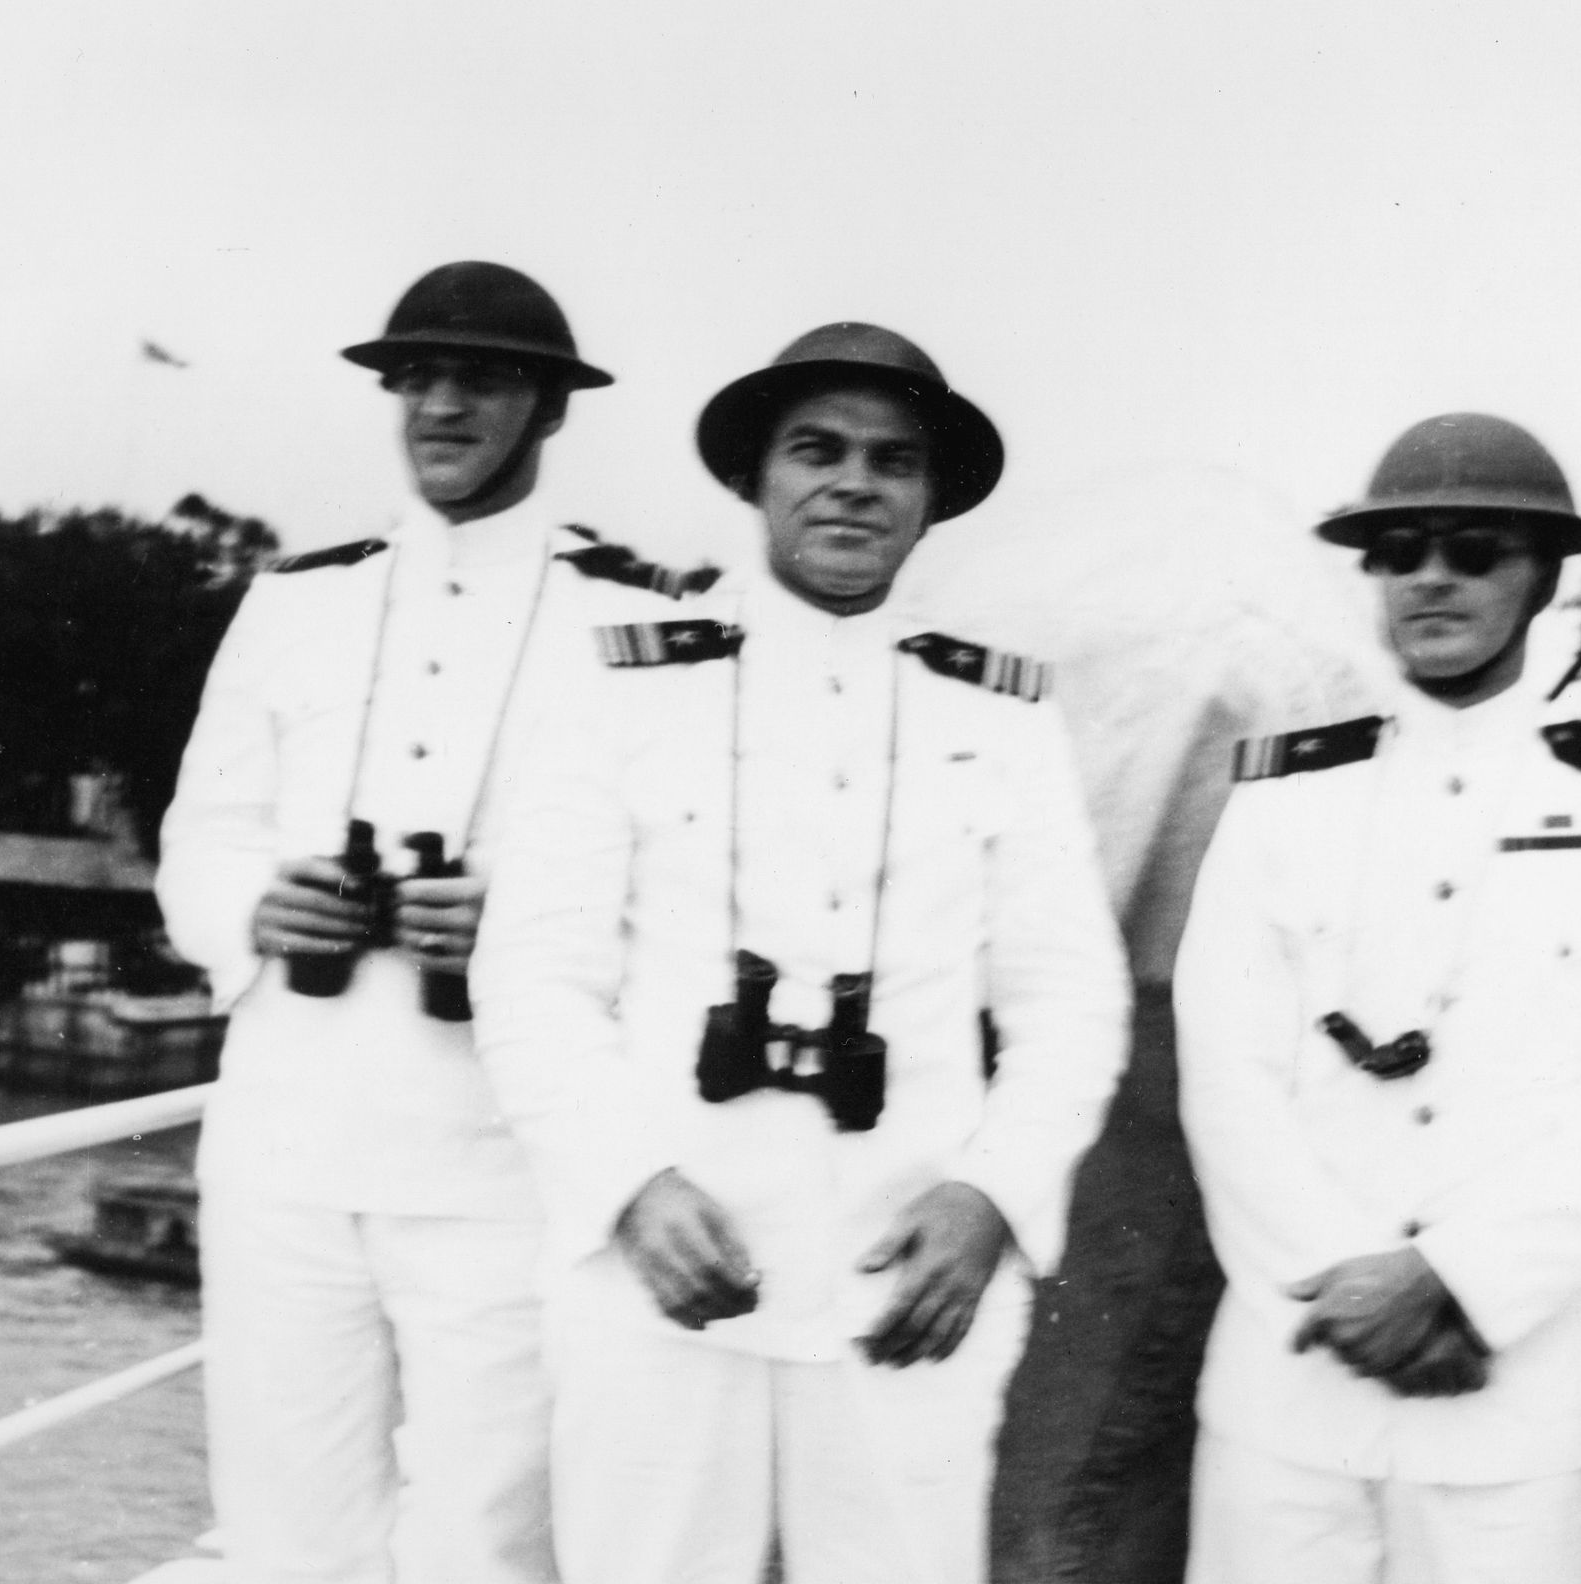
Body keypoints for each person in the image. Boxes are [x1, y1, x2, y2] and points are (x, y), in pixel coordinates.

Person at [470, 322, 1131, 1584]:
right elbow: (534, 977)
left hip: (904, 1277)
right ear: (753, 480)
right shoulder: (622, 686)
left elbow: (1069, 1003)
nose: (851, 482)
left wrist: (992, 1195)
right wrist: (627, 1185)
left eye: (892, 463)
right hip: (663, 1267)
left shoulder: (999, 715)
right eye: (814, 451)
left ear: (929, 504)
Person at [158, 260, 719, 1584]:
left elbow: (681, 907)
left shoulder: (642, 627)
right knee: (289, 1538)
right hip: (285, 1151)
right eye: (417, 378)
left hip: (501, 1171)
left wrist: (519, 929)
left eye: (483, 379)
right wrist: (259, 902)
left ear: (551, 411)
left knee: (488, 1542)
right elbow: (201, 839)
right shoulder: (297, 600)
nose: (443, 406)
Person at [1172, 413, 1581, 1584]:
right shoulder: (1282, 800)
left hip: (1513, 1402)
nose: (1432, 576)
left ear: (1542, 580)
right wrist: (1352, 1291)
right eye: (1400, 550)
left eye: (1475, 549)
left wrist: (1457, 1289)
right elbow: (1223, 1074)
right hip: (1292, 1390)